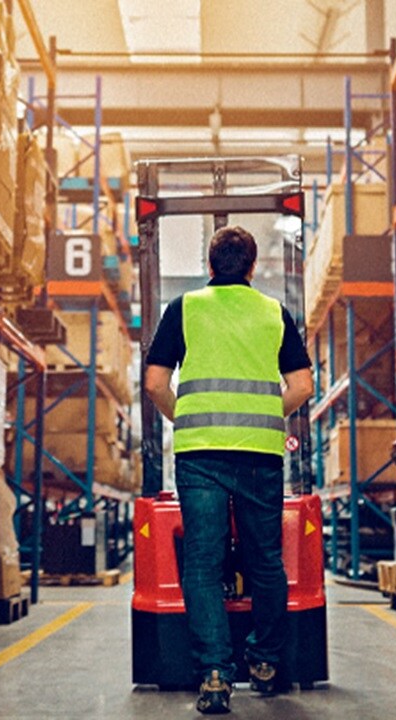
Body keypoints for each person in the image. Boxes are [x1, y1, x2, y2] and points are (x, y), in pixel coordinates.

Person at [144, 225, 313, 715]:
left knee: (202, 562)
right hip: (260, 453)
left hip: (201, 454)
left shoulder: (185, 308)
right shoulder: (274, 313)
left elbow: (155, 382)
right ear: (253, 267)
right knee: (265, 560)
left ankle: (215, 675)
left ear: (210, 266)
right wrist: (266, 415)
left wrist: (184, 417)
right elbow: (302, 386)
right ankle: (264, 661)